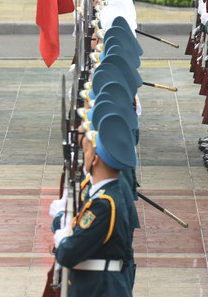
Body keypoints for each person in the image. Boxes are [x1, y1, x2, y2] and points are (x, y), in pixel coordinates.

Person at [51, 114, 136, 296]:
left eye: (88, 150)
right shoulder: (107, 195)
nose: (84, 155)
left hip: (100, 288)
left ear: (96, 159)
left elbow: (69, 254)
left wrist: (63, 239)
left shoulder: (104, 204)